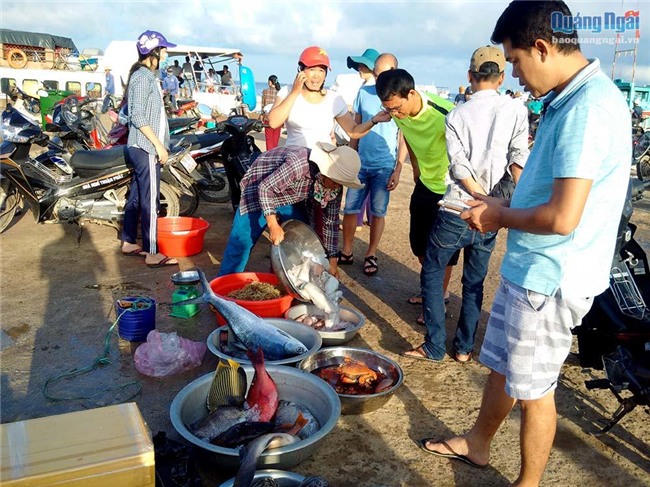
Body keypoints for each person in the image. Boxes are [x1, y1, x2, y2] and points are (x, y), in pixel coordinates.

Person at [421, 2, 631, 485]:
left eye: (515, 61)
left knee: (535, 390)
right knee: (503, 366)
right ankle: (477, 442)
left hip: (550, 278)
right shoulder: (570, 98)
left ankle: (528, 482)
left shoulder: (587, 107)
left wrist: (498, 215)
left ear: (541, 47)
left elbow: (562, 217)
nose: (513, 73)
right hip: (531, 270)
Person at [405, 45, 529, 363]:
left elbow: (459, 167)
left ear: (470, 76)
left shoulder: (457, 114)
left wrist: (476, 196)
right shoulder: (515, 110)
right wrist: (497, 203)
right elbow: (519, 161)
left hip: (456, 209)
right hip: (492, 212)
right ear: (501, 78)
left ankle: (434, 345)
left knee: (433, 271)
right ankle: (462, 348)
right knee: (474, 281)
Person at [375, 68, 457, 324]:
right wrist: (414, 167)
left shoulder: (445, 112)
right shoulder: (397, 113)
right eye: (388, 110)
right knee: (419, 244)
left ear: (411, 94)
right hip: (424, 184)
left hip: (449, 187)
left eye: (397, 108)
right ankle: (430, 289)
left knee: (444, 249)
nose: (394, 114)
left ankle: (439, 296)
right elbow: (407, 136)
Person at [217, 143, 364, 276]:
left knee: (299, 239)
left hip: (291, 196)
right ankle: (222, 291)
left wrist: (332, 260)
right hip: (258, 189)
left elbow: (331, 223)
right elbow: (265, 188)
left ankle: (280, 279)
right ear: (326, 172)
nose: (337, 187)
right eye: (336, 182)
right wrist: (273, 225)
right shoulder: (299, 164)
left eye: (341, 183)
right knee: (242, 241)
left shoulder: (333, 187)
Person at [339, 50, 402, 276]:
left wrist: (399, 167)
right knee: (350, 209)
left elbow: (403, 135)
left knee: (378, 212)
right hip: (361, 163)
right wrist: (350, 157)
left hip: (385, 165)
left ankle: (371, 253)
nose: (378, 78)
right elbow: (355, 126)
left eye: (383, 74)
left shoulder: (399, 97)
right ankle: (346, 250)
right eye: (376, 73)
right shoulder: (363, 92)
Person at [120, 30, 179, 268]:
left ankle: (127, 241)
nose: (166, 54)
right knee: (150, 200)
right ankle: (152, 251)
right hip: (146, 147)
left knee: (135, 195)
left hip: (139, 146)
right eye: (163, 50)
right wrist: (158, 147)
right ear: (154, 53)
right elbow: (138, 116)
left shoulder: (142, 76)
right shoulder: (143, 78)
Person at [267, 46, 390, 152]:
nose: (317, 76)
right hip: (293, 161)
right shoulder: (287, 92)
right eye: (311, 69)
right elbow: (273, 122)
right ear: (301, 70)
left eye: (321, 70)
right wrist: (294, 92)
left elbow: (353, 131)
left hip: (322, 164)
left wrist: (374, 120)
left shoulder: (334, 99)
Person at [261, 75, 282, 150]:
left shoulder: (265, 91)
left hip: (268, 117)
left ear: (270, 82)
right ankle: (274, 154)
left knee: (269, 138)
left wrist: (262, 115)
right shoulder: (280, 92)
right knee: (276, 138)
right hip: (278, 117)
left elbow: (263, 105)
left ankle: (269, 154)